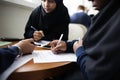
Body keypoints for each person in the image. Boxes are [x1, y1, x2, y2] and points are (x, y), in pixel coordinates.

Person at [50, 0, 120, 80]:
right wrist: (68, 45)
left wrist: (79, 51)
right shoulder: (107, 14)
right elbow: (88, 42)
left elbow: (96, 73)